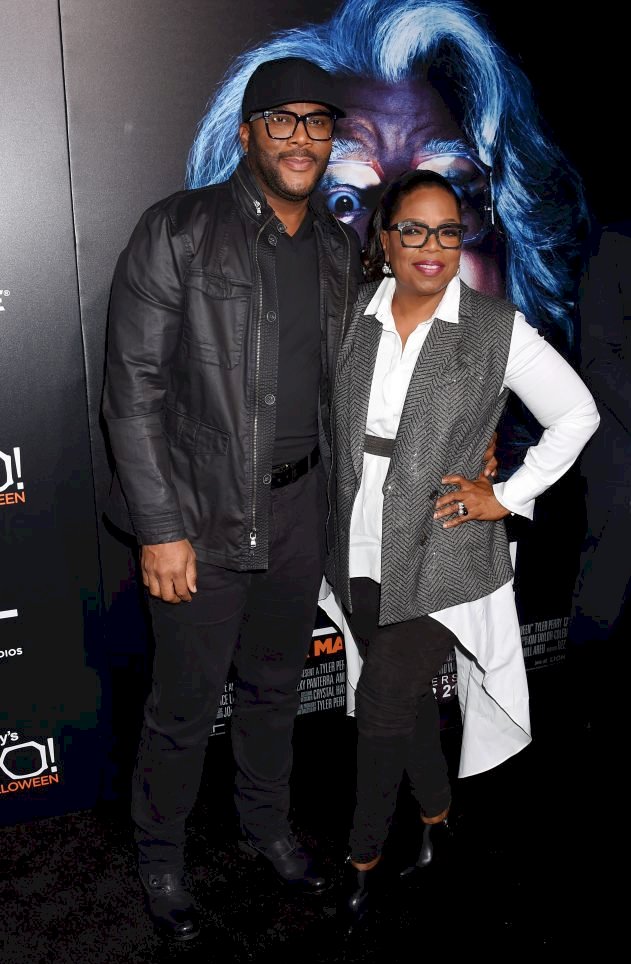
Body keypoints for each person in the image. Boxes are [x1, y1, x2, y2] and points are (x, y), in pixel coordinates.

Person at [185, 0, 591, 700]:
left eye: (451, 199)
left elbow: (571, 418)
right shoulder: (274, 497)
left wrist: (505, 489)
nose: (402, 242)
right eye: (344, 202)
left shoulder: (575, 529)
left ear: (504, 231)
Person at [101, 57, 366, 942]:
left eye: (316, 122)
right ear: (247, 132)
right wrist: (161, 528)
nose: (299, 137)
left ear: (331, 139)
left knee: (273, 689)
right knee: (182, 708)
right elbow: (131, 390)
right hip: (201, 515)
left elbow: (365, 380)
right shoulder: (178, 229)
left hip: (301, 511)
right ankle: (161, 860)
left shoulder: (336, 248)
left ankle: (266, 828)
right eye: (280, 120)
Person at [325, 169, 599, 930]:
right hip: (357, 537)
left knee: (379, 699)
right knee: (398, 689)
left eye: (448, 231)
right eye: (413, 229)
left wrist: (505, 493)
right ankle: (439, 820)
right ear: (383, 237)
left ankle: (362, 862)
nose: (432, 247)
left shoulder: (492, 325)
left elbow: (575, 413)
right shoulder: (348, 314)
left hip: (444, 544)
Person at [565, 220, 631, 757]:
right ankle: (584, 713)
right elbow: (599, 354)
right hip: (620, 452)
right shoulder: (614, 239)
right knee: (609, 583)